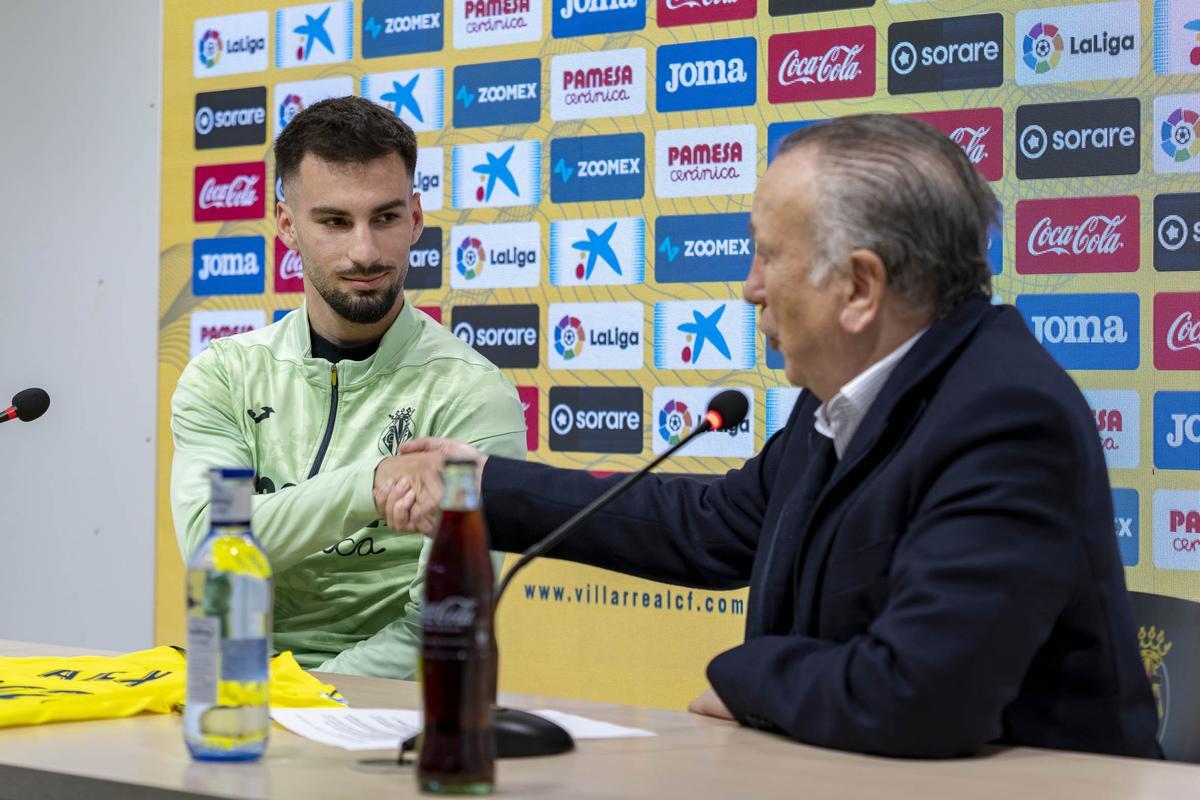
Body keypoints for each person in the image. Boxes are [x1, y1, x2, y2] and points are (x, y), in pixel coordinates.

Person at [379, 115, 1162, 758]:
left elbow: (921, 696)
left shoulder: (1006, 416)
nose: (749, 285)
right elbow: (714, 527)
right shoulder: (849, 395)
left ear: (858, 287)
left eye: (766, 253)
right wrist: (482, 484)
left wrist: (744, 671)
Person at [170, 97, 526, 679]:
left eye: (384, 218)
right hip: (234, 694)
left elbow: (442, 618)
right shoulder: (224, 374)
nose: (364, 251)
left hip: (380, 712)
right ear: (287, 225)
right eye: (334, 222)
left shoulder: (474, 394)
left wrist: (305, 702)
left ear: (415, 219)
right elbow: (212, 554)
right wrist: (373, 481)